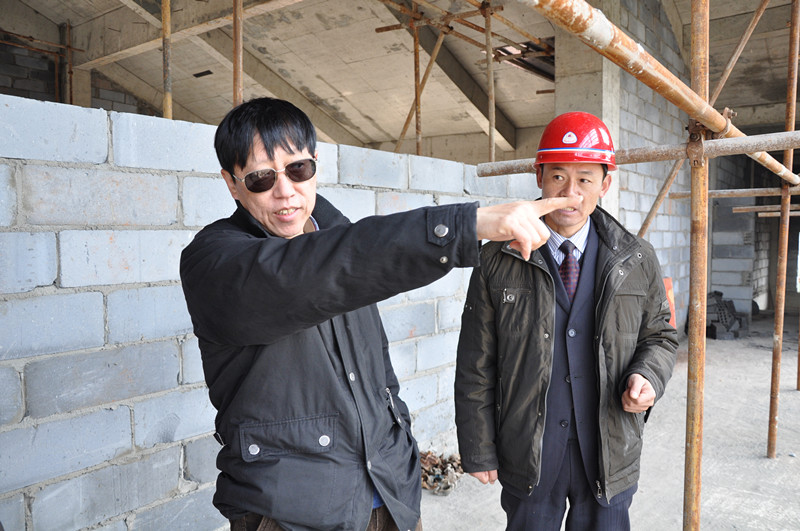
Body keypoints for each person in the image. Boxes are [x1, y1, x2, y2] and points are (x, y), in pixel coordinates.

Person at [179, 97, 581, 531]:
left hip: (390, 495)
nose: (285, 191)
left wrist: (400, 444)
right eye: (261, 178)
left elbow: (375, 369)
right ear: (231, 183)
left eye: (298, 169)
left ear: (315, 164)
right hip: (289, 513)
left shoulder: (336, 234)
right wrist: (465, 226)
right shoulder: (215, 262)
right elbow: (308, 271)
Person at [454, 111, 679, 530]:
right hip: (530, 450)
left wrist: (648, 375)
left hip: (609, 448)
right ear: (539, 176)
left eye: (585, 180)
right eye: (558, 176)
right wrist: (478, 446)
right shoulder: (496, 259)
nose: (570, 193)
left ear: (604, 184)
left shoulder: (636, 259)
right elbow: (475, 362)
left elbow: (660, 337)